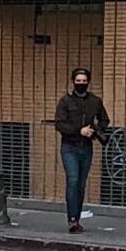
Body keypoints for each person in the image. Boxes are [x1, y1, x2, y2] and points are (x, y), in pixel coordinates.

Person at [52, 66, 108, 233]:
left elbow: (105, 119)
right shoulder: (65, 101)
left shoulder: (95, 101)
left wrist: (95, 130)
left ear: (88, 82)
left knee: (81, 184)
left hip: (86, 147)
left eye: (84, 81)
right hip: (69, 146)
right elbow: (60, 124)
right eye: (78, 81)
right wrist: (79, 130)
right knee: (73, 180)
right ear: (73, 82)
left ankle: (77, 217)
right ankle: (72, 219)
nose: (81, 84)